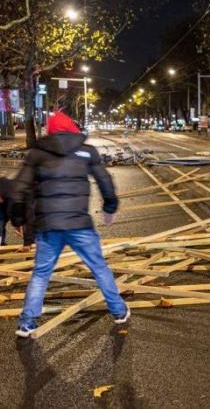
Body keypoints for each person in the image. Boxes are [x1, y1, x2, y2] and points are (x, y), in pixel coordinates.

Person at [11, 111, 129, 338]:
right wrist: (110, 207)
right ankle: (119, 310)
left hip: (48, 226)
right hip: (79, 224)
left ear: (51, 130)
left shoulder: (37, 153)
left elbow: (19, 189)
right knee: (99, 267)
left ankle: (27, 323)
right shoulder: (87, 151)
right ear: (72, 128)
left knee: (41, 273)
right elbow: (105, 180)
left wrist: (18, 219)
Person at [0, 177, 34, 248]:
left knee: (30, 226)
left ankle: (32, 244)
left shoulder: (20, 195)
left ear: (3, 194)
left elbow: (29, 218)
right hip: (8, 208)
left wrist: (27, 241)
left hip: (23, 210)